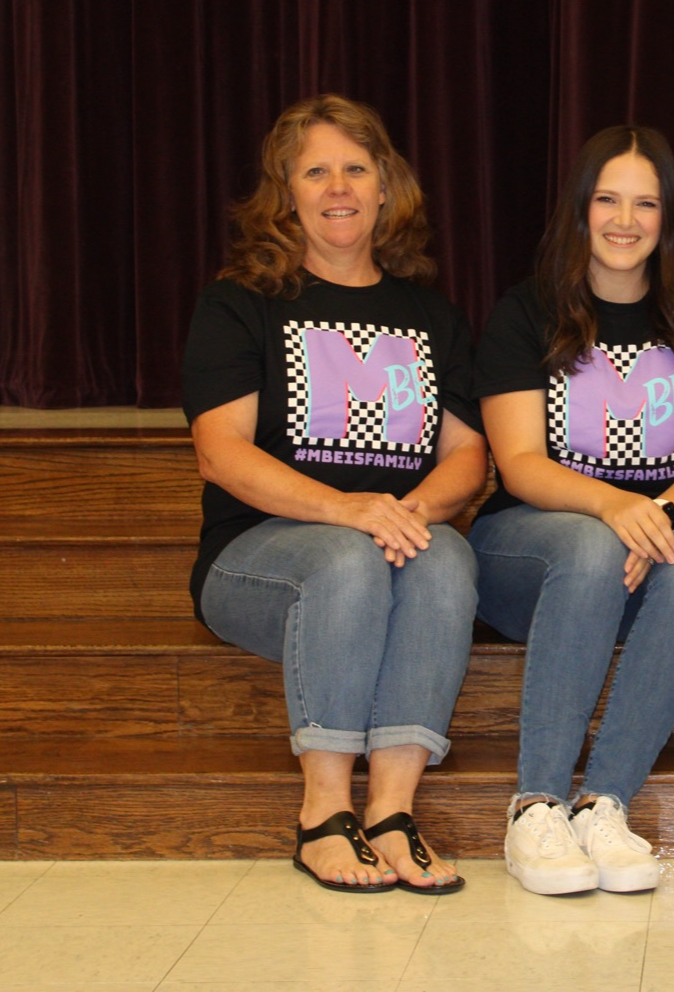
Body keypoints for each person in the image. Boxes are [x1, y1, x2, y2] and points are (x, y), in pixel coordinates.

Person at [182, 94, 485, 895]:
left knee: (445, 555)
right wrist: (350, 510)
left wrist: (412, 514)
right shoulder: (241, 301)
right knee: (350, 561)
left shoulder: (430, 314)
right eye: (315, 171)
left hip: (382, 540)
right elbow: (220, 454)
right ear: (285, 193)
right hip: (257, 563)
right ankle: (322, 814)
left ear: (386, 186)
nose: (337, 187)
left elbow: (468, 457)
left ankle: (389, 813)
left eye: (356, 168)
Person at [468, 125, 674, 895]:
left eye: (645, 203)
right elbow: (520, 464)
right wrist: (617, 508)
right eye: (607, 199)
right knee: (592, 549)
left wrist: (653, 515)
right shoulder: (527, 312)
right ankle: (534, 806)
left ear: (669, 219)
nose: (625, 220)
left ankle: (603, 804)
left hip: (648, 548)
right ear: (579, 210)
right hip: (529, 554)